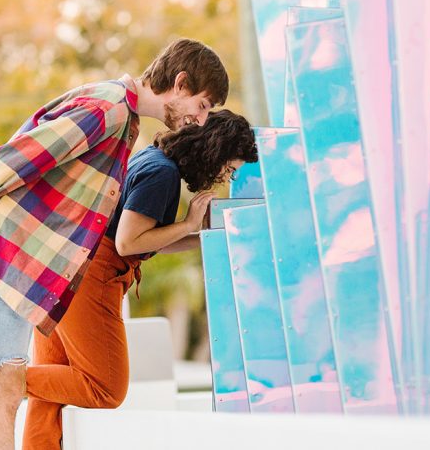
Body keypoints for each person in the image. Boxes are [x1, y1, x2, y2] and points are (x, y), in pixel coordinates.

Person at [0, 38, 229, 450]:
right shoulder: (107, 108)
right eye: (202, 106)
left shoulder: (123, 121)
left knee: (6, 383)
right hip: (2, 252)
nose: (201, 121)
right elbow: (21, 155)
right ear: (181, 83)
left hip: (24, 261)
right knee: (1, 386)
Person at [21, 110, 257, 450]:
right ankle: (0, 380)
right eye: (229, 168)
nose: (225, 177)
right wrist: (189, 224)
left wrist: (202, 235)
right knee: (105, 386)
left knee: (52, 383)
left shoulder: (155, 159)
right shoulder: (162, 175)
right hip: (93, 274)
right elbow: (127, 243)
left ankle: (11, 396)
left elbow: (147, 238)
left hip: (66, 265)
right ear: (214, 152)